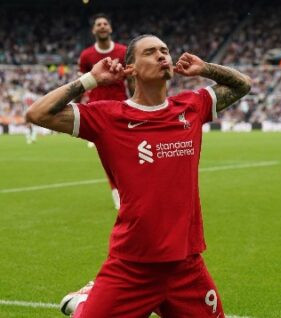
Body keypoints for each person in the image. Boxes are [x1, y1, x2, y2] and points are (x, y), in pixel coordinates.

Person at [26, 34, 251, 317]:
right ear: (130, 68)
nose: (162, 56)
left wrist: (205, 68)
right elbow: (38, 113)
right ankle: (83, 302)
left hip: (186, 265)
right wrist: (91, 80)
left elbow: (243, 84)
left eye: (165, 50)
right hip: (131, 267)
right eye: (150, 52)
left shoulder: (192, 106)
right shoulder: (108, 117)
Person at [77, 13, 130, 210]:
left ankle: (125, 188)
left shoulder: (123, 52)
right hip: (96, 111)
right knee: (107, 153)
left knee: (126, 152)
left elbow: (131, 81)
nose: (101, 26)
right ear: (93, 30)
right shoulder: (86, 56)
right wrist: (76, 105)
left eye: (105, 23)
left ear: (110, 28)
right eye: (98, 24)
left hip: (120, 108)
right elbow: (81, 84)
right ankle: (117, 191)